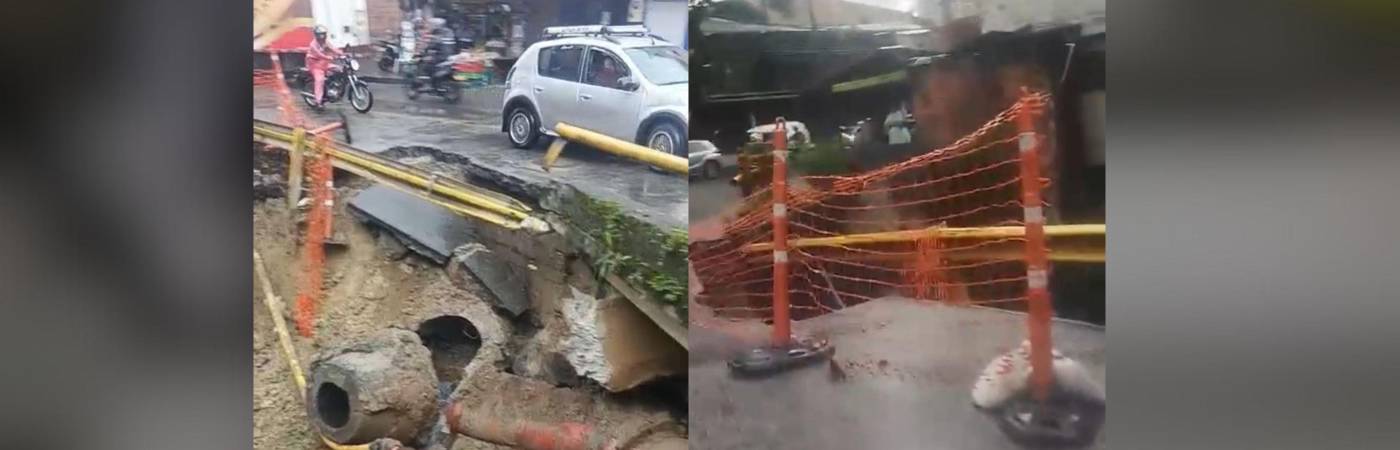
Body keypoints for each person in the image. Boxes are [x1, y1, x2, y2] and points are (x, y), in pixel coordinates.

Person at [306, 25, 344, 107]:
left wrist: (342, 53)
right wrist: (329, 57)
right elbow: (319, 54)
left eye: (323, 34)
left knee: (339, 69)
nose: (322, 36)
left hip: (324, 64)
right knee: (320, 80)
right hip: (314, 65)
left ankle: (335, 88)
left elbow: (333, 48)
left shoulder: (325, 42)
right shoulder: (313, 45)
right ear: (316, 35)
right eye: (320, 34)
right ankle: (318, 101)